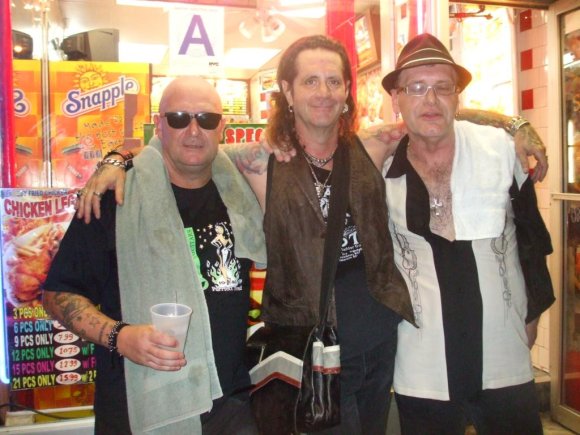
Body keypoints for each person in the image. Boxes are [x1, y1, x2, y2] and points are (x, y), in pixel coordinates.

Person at [75, 35, 548, 434]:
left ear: (346, 91)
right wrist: (117, 158)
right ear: (287, 89)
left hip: (381, 339)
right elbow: (188, 140)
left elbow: (436, 113)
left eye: (333, 81)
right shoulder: (257, 162)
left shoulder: (372, 144)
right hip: (306, 347)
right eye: (310, 80)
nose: (323, 92)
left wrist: (516, 124)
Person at [42, 77, 266, 435]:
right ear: (159, 124)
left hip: (231, 404)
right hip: (141, 408)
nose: (193, 130)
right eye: (178, 118)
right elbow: (57, 295)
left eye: (206, 119)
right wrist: (120, 336)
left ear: (222, 127)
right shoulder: (114, 197)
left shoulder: (239, 189)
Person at [381, 33, 554, 434]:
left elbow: (533, 245)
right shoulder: (380, 168)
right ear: (396, 99)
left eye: (443, 87)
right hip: (423, 366)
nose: (430, 99)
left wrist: (531, 319)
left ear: (457, 96)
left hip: (503, 358)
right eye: (416, 88)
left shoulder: (501, 151)